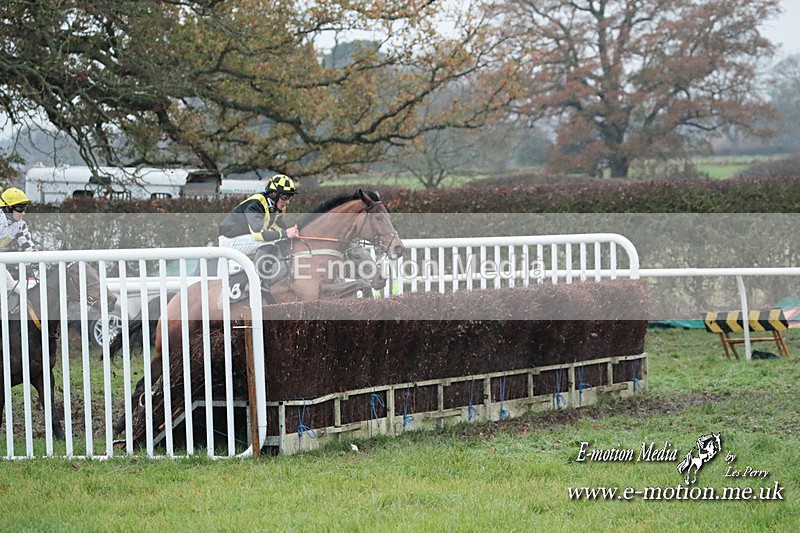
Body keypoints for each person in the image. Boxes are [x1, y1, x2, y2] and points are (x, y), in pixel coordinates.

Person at [218, 174, 300, 255]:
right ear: (274, 194)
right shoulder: (256, 204)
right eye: (285, 197)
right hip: (230, 240)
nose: (287, 202)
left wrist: (292, 232)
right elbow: (258, 235)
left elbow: (278, 226)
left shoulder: (276, 207)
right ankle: (260, 264)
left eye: (290, 198)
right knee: (269, 241)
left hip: (242, 238)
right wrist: (285, 233)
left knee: (278, 239)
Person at [0, 187, 36, 304]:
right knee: (11, 284)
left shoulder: (20, 225)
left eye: (24, 208)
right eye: (20, 209)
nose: (23, 213)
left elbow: (30, 248)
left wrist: (33, 264)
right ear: (7, 208)